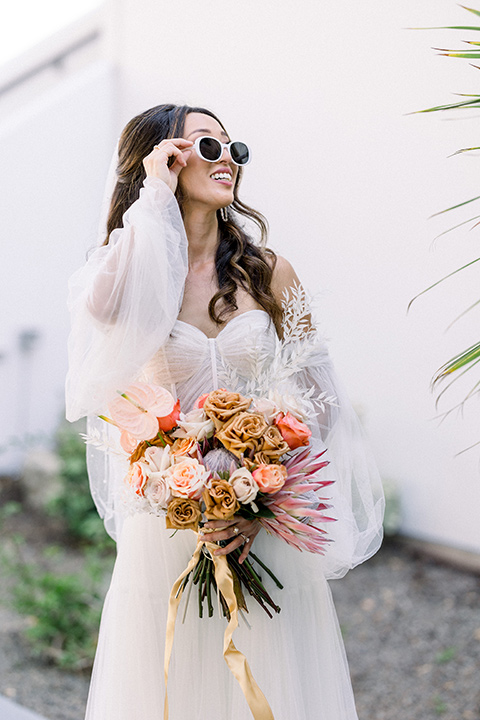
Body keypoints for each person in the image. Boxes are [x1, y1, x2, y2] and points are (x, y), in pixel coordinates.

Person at [66, 103, 384, 720]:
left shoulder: (269, 272)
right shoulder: (126, 272)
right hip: (168, 522)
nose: (227, 162)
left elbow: (322, 399)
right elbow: (98, 321)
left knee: (272, 685)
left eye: (234, 149)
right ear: (164, 158)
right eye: (206, 148)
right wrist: (153, 198)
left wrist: (264, 494)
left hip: (267, 521)